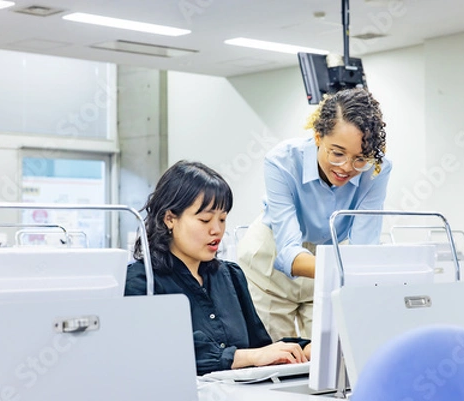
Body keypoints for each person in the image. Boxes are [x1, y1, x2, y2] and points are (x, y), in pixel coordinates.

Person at [125, 160, 311, 376]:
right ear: (170, 219)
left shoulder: (230, 276)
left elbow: (259, 345)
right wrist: (247, 357)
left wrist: (304, 348)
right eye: (205, 220)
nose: (217, 230)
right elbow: (166, 350)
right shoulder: (141, 282)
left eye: (222, 219)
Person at [237, 88, 392, 341]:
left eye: (360, 159)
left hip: (327, 265)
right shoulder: (281, 161)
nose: (346, 168)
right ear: (318, 136)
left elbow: (364, 247)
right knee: (275, 360)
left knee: (330, 359)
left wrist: (369, 270)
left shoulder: (376, 170)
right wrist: (355, 268)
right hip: (270, 266)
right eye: (338, 153)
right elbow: (288, 251)